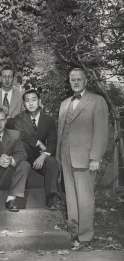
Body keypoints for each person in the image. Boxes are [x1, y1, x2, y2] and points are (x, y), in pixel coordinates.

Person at [56, 68, 109, 249]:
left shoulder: (97, 101)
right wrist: (58, 157)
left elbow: (102, 131)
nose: (76, 82)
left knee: (85, 198)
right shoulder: (64, 103)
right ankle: (73, 233)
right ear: (69, 81)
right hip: (66, 157)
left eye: (79, 79)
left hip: (85, 158)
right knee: (71, 197)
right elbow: (61, 132)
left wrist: (96, 158)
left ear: (86, 81)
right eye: (72, 79)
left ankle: (85, 237)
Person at [7, 88, 58, 210]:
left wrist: (43, 156)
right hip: (24, 154)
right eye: (27, 100)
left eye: (34, 100)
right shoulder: (19, 118)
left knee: (52, 162)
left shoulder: (48, 120)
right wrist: (38, 142)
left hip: (39, 155)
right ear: (24, 104)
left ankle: (50, 198)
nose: (31, 103)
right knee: (21, 158)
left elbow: (52, 142)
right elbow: (21, 135)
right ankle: (15, 198)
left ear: (39, 101)